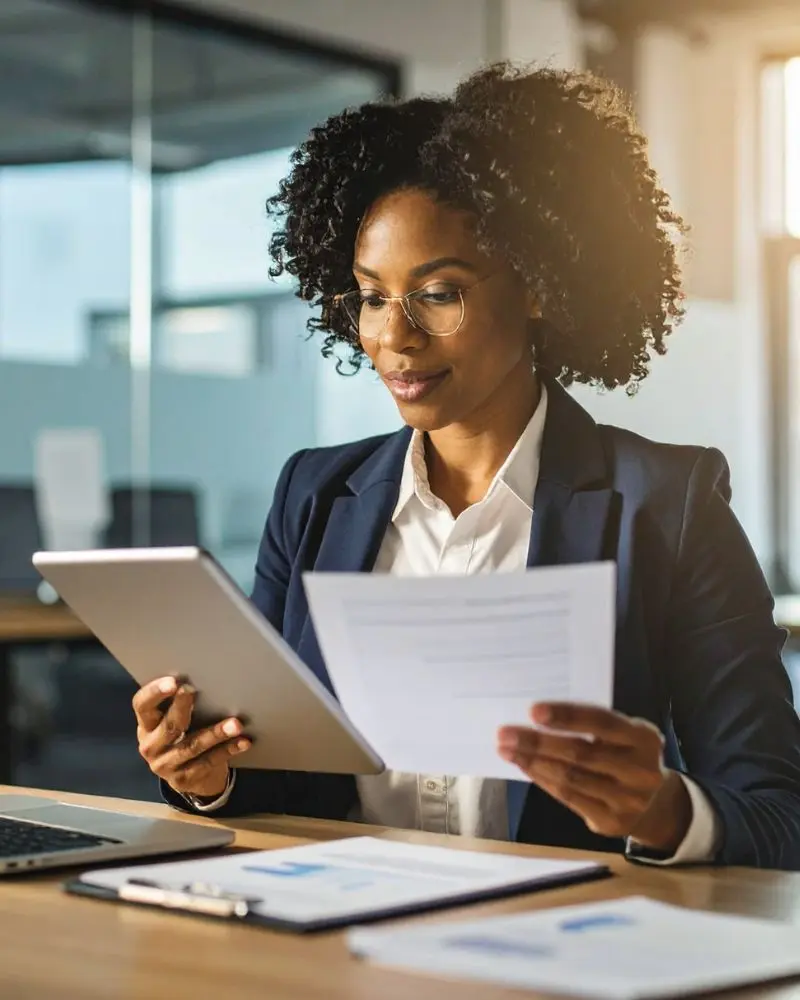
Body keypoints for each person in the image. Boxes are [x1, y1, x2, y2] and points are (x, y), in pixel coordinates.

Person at [133, 63, 800, 869]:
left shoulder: (668, 504)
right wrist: (208, 777)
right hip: (338, 945)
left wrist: (663, 810)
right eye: (371, 297)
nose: (395, 336)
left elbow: (778, 815)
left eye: (438, 293)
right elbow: (279, 784)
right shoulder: (313, 496)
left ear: (538, 286)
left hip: (558, 953)